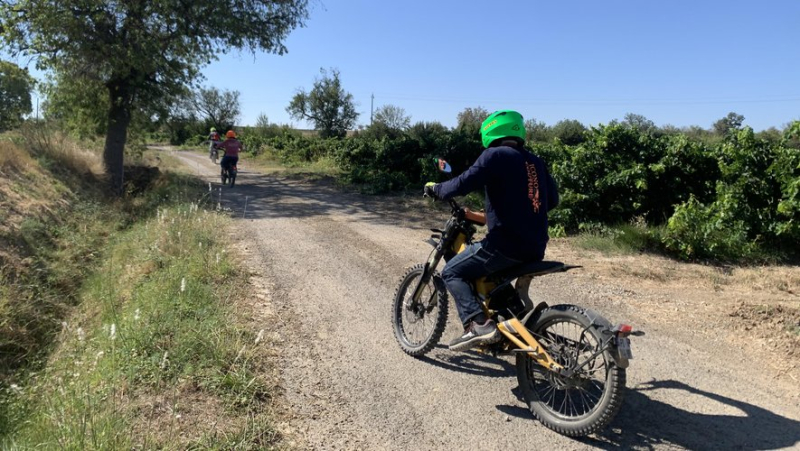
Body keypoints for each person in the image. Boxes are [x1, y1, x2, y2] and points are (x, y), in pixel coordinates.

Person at [424, 110, 559, 351]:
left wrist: (437, 188)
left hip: (504, 246)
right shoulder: (535, 161)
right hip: (536, 247)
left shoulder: (494, 155)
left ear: (491, 130)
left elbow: (462, 183)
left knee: (452, 273)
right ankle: (510, 322)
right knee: (493, 277)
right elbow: (553, 201)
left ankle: (479, 325)